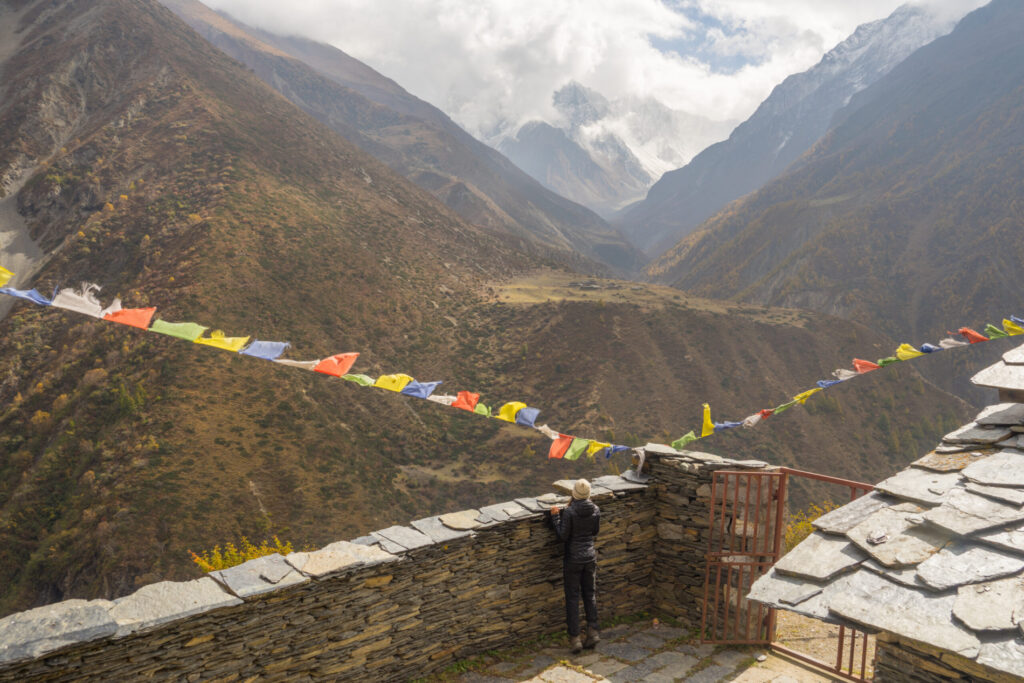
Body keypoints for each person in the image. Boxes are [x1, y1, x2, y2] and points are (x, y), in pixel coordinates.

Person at [550, 478, 601, 654]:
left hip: (573, 558)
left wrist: (556, 517)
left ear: (574, 494)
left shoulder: (570, 512)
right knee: (590, 594)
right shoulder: (595, 509)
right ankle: (593, 631)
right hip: (590, 557)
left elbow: (562, 536)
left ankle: (575, 638)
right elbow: (594, 532)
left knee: (573, 597)